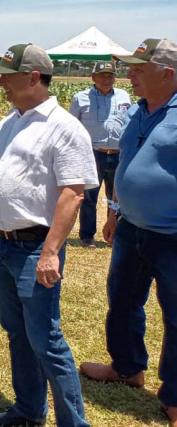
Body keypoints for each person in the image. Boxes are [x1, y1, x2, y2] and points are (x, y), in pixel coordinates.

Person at [0, 43, 96, 427]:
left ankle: (73, 422)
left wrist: (51, 252)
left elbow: (73, 194)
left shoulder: (64, 127)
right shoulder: (8, 122)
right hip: (0, 246)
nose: (1, 84)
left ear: (33, 78)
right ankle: (28, 411)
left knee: (45, 339)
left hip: (34, 248)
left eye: (7, 76)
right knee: (17, 333)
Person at [80, 38, 177, 427]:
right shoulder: (138, 109)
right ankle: (127, 367)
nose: (129, 75)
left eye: (139, 69)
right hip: (130, 228)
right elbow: (128, 163)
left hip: (171, 236)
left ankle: (174, 397)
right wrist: (114, 211)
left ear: (168, 74)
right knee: (121, 300)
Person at [68, 61, 132, 247]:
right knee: (89, 196)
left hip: (119, 153)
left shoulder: (124, 96)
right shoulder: (81, 98)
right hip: (93, 153)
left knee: (117, 197)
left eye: (110, 76)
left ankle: (114, 234)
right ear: (93, 77)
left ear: (115, 78)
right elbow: (71, 127)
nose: (106, 79)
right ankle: (87, 236)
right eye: (102, 76)